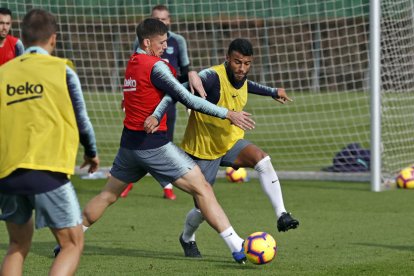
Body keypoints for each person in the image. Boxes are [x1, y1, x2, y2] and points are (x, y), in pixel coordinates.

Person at [54, 18, 255, 263]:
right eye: (161, 43)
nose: (165, 47)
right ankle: (237, 246)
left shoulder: (133, 63)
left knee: (107, 196)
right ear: (147, 42)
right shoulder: (156, 66)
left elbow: (144, 92)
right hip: (153, 146)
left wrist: (187, 76)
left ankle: (67, 242)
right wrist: (227, 113)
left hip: (129, 145)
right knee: (202, 187)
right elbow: (185, 98)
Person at [146, 38, 299, 258]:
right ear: (227, 59)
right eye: (237, 62)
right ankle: (187, 237)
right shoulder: (211, 77)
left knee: (262, 159)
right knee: (202, 209)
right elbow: (175, 92)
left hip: (229, 142)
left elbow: (249, 85)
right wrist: (157, 114)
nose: (242, 68)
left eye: (247, 63)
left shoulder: (242, 78)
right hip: (203, 150)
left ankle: (282, 214)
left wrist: (274, 91)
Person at [0, 8, 99, 276]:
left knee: (17, 245)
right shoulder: (62, 71)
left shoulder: (4, 73)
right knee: (72, 243)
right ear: (53, 39)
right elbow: (82, 120)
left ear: (22, 36)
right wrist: (91, 153)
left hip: (7, 173)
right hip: (47, 170)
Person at [122, 4, 203, 200]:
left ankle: (166, 185)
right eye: (157, 19)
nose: (161, 22)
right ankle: (125, 181)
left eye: (164, 19)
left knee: (162, 142)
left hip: (168, 99)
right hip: (145, 98)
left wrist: (188, 85)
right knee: (137, 139)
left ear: (169, 21)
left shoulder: (178, 41)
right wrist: (126, 96)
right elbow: (135, 68)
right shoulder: (143, 44)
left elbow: (185, 68)